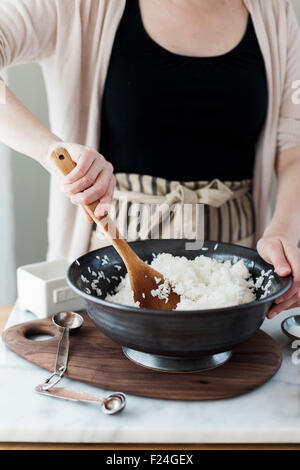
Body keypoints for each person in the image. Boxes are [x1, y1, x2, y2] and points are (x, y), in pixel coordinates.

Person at [0, 0, 300, 319]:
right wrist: (51, 151)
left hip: (235, 281)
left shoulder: (274, 12)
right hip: (107, 276)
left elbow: (293, 145)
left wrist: (282, 232)